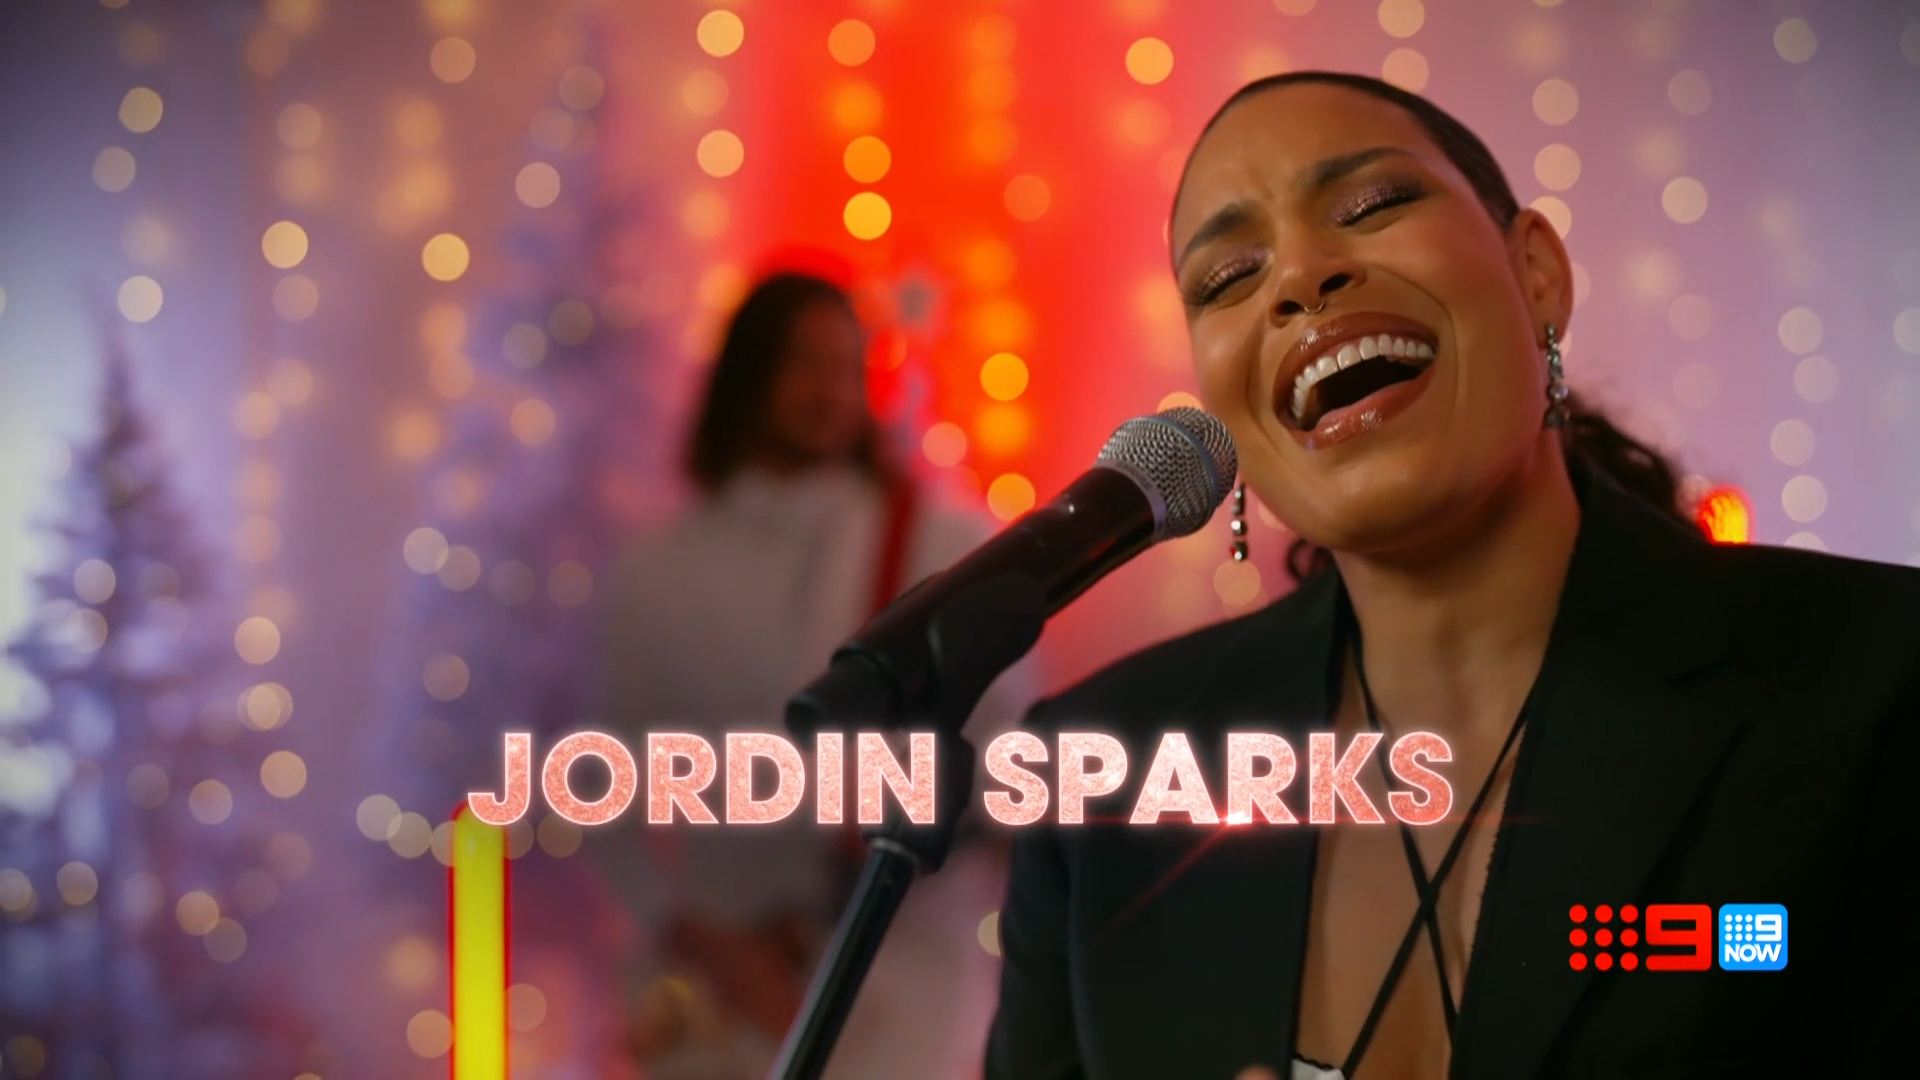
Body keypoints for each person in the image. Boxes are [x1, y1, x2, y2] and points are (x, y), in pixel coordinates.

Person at [985, 72, 1920, 1079]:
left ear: (1537, 274)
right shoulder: (1104, 777)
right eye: (1227, 279)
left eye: (1373, 204)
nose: (1300, 276)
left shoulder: (1876, 676)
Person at [601, 271, 1029, 1078]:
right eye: (802, 362)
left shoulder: (936, 545)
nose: (827, 389)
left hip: (906, 984)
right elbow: (608, 784)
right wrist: (706, 941)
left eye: (844, 365)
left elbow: (1008, 761)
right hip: (723, 990)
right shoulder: (657, 571)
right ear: (748, 374)